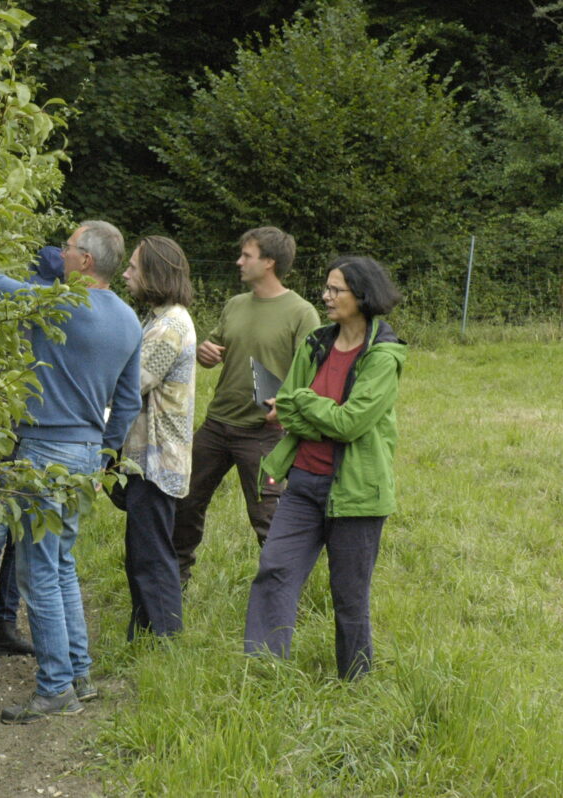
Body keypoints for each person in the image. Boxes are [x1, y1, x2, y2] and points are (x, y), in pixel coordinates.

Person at [0, 221, 142, 724]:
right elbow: (128, 402)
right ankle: (79, 673)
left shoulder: (60, 303)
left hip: (44, 451)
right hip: (84, 455)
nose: (60, 253)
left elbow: (0, 286)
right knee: (62, 562)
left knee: (38, 572)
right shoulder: (129, 320)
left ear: (86, 260)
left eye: (67, 247)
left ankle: (55, 687)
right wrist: (103, 456)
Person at [244, 255, 405, 679]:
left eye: (336, 290)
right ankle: (264, 670)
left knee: (349, 596)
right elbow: (285, 409)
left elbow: (350, 424)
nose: (326, 296)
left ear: (362, 296)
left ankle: (355, 683)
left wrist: (303, 403)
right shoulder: (317, 342)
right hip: (302, 483)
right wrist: (307, 411)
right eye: (327, 288)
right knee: (275, 569)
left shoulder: (383, 356)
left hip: (356, 492)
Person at [171, 227, 321, 584]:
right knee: (184, 503)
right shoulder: (235, 305)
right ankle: (174, 582)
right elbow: (214, 351)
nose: (239, 261)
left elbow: (314, 375)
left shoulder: (302, 313)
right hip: (216, 426)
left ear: (269, 262)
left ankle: (282, 594)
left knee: (269, 519)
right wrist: (205, 353)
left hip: (264, 432)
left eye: (247, 256)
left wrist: (288, 405)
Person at [0, 246, 64, 669]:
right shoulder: (9, 321)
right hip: (3, 440)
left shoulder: (59, 327)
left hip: (38, 442)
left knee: (19, 539)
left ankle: (5, 624)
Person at [118, 236, 197, 639]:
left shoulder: (168, 327)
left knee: (151, 555)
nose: (126, 274)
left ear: (155, 273)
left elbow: (132, 384)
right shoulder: (160, 319)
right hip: (149, 455)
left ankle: (164, 640)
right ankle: (146, 635)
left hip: (156, 457)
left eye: (134, 267)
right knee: (141, 552)